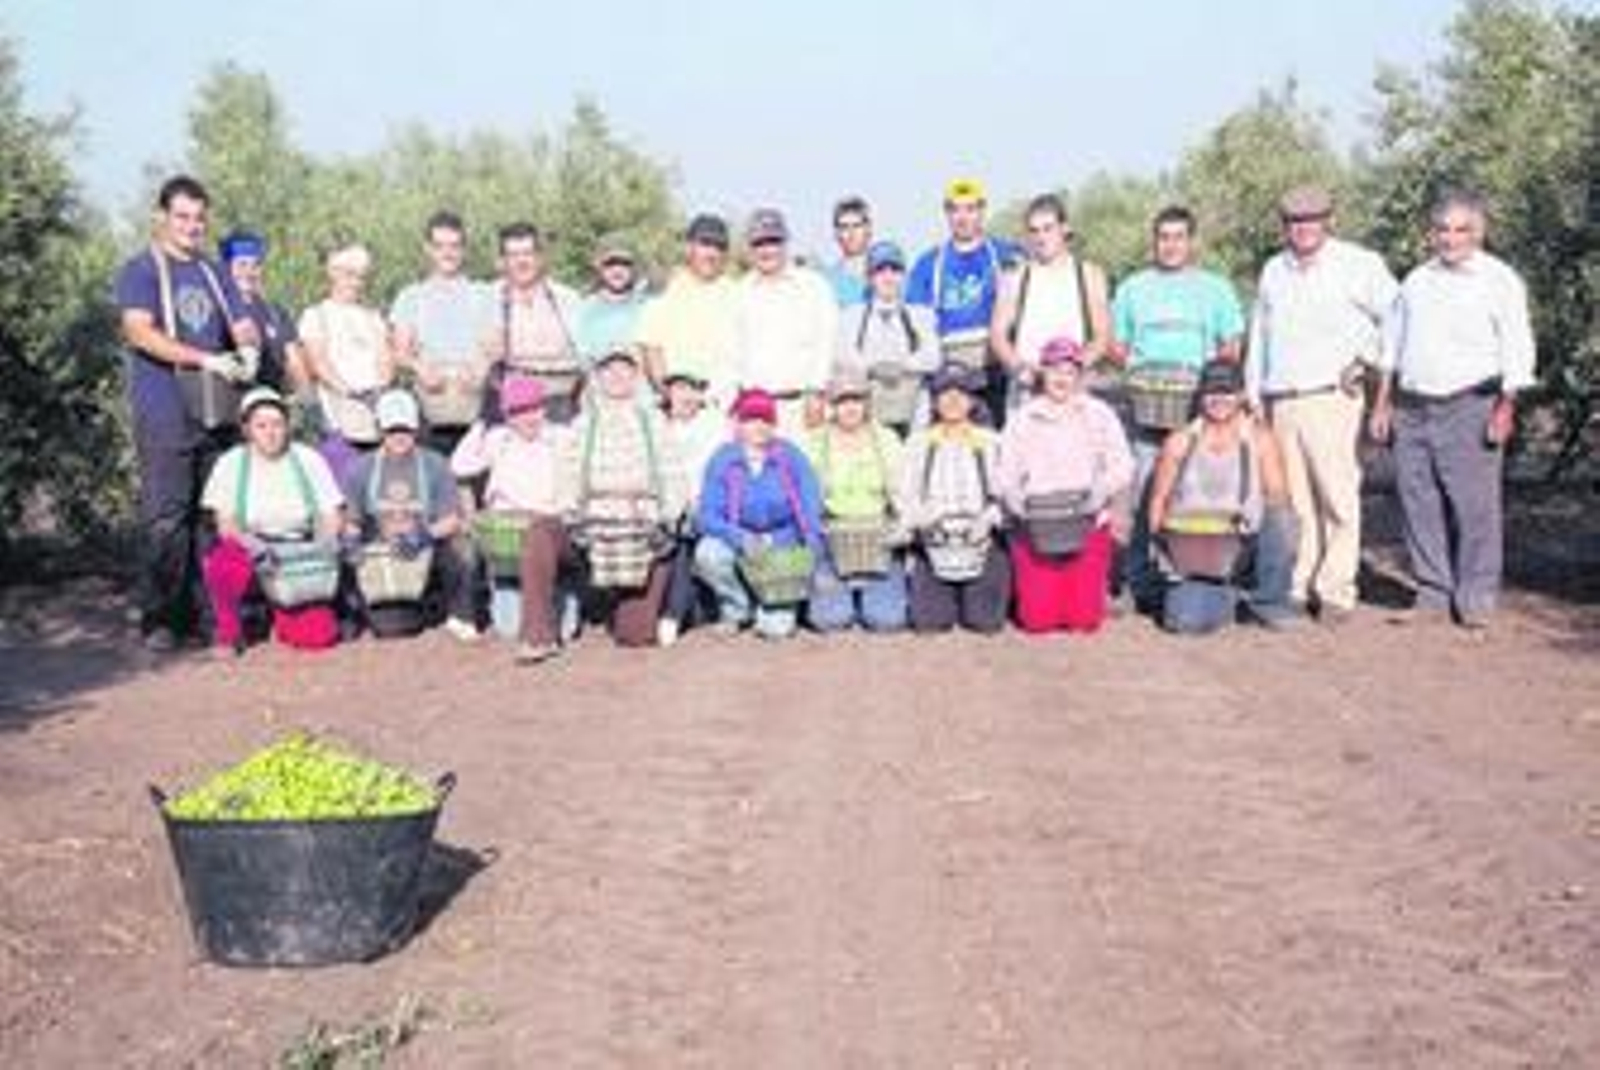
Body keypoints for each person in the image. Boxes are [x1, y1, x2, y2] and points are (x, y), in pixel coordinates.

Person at [1370, 189, 1536, 630]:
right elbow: (1391, 346)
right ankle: (1432, 595)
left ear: (1479, 233)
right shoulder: (1416, 282)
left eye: (1462, 229)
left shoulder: (1500, 280)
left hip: (1472, 403)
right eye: (1443, 229)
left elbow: (1518, 347)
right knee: (1417, 500)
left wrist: (1506, 407)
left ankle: (1476, 599)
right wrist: (1383, 403)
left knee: (1474, 506)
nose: (1451, 238)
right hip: (1413, 406)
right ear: (1431, 234)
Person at [115, 174, 261, 651]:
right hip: (165, 409)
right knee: (166, 516)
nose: (192, 226)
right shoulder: (141, 270)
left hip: (215, 409)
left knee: (210, 515)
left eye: (199, 218)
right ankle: (160, 617)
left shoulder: (216, 273)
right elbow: (138, 332)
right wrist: (203, 357)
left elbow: (241, 320)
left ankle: (207, 613)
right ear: (162, 217)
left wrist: (248, 347)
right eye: (182, 216)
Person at [1246, 186, 1399, 623]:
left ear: (1330, 221)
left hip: (1333, 396)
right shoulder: (1274, 269)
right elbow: (1261, 332)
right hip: (1283, 398)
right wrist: (1254, 390)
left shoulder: (1359, 264)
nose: (1304, 228)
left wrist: (1370, 361)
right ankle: (1299, 583)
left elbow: (1396, 315)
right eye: (1295, 221)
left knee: (1337, 495)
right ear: (1284, 226)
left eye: (1313, 219)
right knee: (1294, 500)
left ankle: (1335, 589)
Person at [1111, 205, 1246, 607]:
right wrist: (1136, 368)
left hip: (1199, 409)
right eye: (1163, 237)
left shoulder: (1215, 288)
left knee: (1200, 494)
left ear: (1192, 242)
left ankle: (1201, 575)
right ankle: (1140, 582)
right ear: (1154, 242)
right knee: (1143, 491)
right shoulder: (1134, 288)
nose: (1170, 245)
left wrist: (1216, 386)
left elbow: (1231, 344)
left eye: (1178, 237)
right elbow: (1117, 344)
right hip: (1148, 405)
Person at [1148, 360, 1299, 633]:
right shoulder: (1180, 440)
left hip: (1242, 544)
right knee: (1183, 624)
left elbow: (1279, 498)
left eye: (1228, 392)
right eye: (1212, 392)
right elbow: (1158, 500)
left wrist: (1244, 524)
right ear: (1201, 396)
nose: (1220, 400)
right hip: (1194, 549)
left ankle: (1271, 600)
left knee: (1283, 518)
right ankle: (1225, 597)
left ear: (1241, 395)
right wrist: (1164, 551)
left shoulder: (1260, 438)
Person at [998, 337, 1134, 634]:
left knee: (1084, 622)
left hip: (1087, 519)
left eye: (1070, 372)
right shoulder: (1023, 418)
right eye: (1054, 370)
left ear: (1080, 376)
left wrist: (1101, 491)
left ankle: (1087, 595)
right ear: (1042, 373)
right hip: (1037, 524)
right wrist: (1015, 498)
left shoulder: (1099, 414)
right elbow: (1005, 472)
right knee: (1037, 622)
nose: (1062, 378)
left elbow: (1123, 464)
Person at [199, 386, 344, 655]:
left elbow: (331, 513)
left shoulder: (308, 458)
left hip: (299, 551)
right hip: (252, 549)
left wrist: (325, 544)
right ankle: (228, 634)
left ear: (288, 426)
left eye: (277, 424)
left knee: (319, 637)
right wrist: (251, 544)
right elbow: (225, 523)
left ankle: (281, 616)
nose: (271, 432)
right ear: (247, 429)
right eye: (261, 425)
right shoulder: (231, 463)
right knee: (222, 562)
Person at [561, 347, 689, 649]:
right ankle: (598, 599)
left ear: (635, 377)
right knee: (545, 535)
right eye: (609, 370)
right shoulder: (583, 423)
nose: (617, 376)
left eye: (624, 370)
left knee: (635, 637)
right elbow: (566, 475)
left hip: (642, 528)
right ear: (598, 378)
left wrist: (666, 516)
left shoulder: (653, 420)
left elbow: (674, 476)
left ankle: (647, 586)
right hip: (596, 526)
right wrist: (572, 512)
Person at [450, 374, 576, 662]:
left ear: (543, 408)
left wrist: (555, 515)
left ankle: (539, 638)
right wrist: (482, 422)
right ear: (506, 415)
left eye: (532, 408)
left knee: (540, 533)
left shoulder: (563, 438)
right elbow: (459, 465)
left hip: (552, 531)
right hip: (506, 540)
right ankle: (495, 607)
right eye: (517, 411)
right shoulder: (498, 440)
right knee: (507, 627)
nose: (527, 417)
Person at [343, 388, 478, 641]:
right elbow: (352, 521)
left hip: (426, 547)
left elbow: (452, 520)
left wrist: (423, 535)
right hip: (380, 554)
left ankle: (461, 613)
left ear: (416, 428)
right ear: (380, 430)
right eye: (392, 430)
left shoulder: (435, 463)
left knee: (461, 549)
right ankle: (353, 612)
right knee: (392, 629)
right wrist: (351, 542)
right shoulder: (360, 468)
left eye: (405, 429)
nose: (399, 437)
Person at [695, 388, 826, 640]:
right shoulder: (723, 459)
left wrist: (794, 544)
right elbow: (707, 515)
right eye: (750, 419)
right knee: (708, 553)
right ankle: (736, 608)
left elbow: (810, 508)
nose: (759, 426)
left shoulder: (791, 457)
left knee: (776, 630)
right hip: (739, 540)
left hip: (781, 545)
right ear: (738, 424)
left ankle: (772, 608)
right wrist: (741, 538)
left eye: (765, 419)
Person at [900, 367, 1010, 633]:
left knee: (985, 622)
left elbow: (1008, 495)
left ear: (972, 400)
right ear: (934, 401)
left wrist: (988, 519)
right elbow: (904, 497)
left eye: (961, 393)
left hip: (981, 541)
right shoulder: (918, 444)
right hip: (933, 542)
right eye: (944, 394)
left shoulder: (992, 442)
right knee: (930, 623)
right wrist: (923, 520)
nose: (952, 401)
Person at [905, 178, 1023, 423]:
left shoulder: (1006, 254)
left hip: (995, 368)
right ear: (946, 214)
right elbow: (916, 324)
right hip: (950, 373)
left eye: (970, 209)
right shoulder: (929, 263)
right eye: (956, 209)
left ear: (982, 212)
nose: (963, 217)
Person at [802, 372, 909, 632]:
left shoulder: (886, 439)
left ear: (867, 404)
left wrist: (902, 528)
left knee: (887, 621)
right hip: (832, 542)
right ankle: (840, 595)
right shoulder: (814, 442)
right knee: (830, 621)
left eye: (857, 400)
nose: (850, 408)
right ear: (832, 406)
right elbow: (805, 499)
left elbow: (902, 494)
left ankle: (872, 594)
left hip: (879, 543)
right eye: (842, 401)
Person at [989, 193, 1114, 415]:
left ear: (1064, 229)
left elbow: (1102, 336)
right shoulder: (1014, 278)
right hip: (1027, 391)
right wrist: (1020, 369)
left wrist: (1071, 371)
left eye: (1048, 228)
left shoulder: (1089, 275)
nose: (1041, 237)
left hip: (1075, 391)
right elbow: (998, 335)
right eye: (1034, 231)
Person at [389, 211, 494, 454]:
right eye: (440, 246)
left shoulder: (483, 294)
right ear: (428, 249)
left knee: (475, 488)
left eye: (455, 246)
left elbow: (494, 346)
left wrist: (482, 367)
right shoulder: (410, 297)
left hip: (474, 412)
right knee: (433, 487)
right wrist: (419, 367)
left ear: (464, 249)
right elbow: (400, 352)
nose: (448, 253)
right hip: (430, 414)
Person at [728, 208, 839, 430]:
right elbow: (732, 354)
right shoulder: (739, 293)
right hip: (754, 411)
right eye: (759, 243)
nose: (767, 250)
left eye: (773, 242)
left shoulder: (814, 287)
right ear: (749, 248)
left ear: (785, 244)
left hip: (804, 408)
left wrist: (816, 392)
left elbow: (827, 343)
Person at [299, 242, 397, 489]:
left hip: (375, 422)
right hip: (338, 423)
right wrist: (351, 393)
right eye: (350, 275)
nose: (356, 282)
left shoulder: (373, 317)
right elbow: (318, 363)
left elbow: (386, 359)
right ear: (333, 273)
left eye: (361, 276)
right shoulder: (315, 315)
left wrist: (380, 391)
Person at [834, 240, 941, 437]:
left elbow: (933, 358)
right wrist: (875, 367)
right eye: (880, 270)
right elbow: (843, 356)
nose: (888, 276)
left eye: (895, 269)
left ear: (904, 276)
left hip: (914, 415)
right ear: (869, 278)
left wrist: (902, 366)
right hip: (869, 413)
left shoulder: (922, 315)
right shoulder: (850, 317)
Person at [482, 221, 583, 424]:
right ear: (502, 261)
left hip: (562, 403)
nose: (522, 261)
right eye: (513, 255)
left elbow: (588, 358)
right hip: (512, 406)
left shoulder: (569, 299)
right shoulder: (487, 299)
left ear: (540, 257)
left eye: (528, 253)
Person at [637, 213, 739, 406]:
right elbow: (652, 350)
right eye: (705, 244)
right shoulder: (664, 292)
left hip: (724, 410)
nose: (711, 254)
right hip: (676, 408)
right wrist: (668, 395)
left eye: (719, 247)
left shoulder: (738, 295)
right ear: (689, 247)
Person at [656, 371, 727, 646]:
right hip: (663, 507)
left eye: (693, 388)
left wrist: (695, 501)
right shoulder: (656, 424)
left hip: (703, 506)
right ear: (668, 393)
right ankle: (686, 609)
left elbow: (720, 474)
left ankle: (672, 615)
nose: (686, 395)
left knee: (686, 533)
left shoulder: (714, 427)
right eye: (679, 387)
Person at [219, 230, 310, 397]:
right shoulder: (218, 309)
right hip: (228, 403)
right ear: (226, 268)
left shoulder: (275, 312)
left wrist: (308, 399)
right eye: (242, 265)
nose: (249, 272)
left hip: (271, 402)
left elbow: (295, 361)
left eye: (256, 265)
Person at [573, 233, 649, 370]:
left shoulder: (649, 308)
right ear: (598, 267)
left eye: (625, 264)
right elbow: (581, 361)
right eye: (610, 263)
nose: (617, 270)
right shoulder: (581, 309)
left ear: (634, 268)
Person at [820, 195, 873, 306]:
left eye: (856, 226)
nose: (851, 233)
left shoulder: (888, 273)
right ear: (836, 233)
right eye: (844, 227)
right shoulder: (827, 282)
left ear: (868, 229)